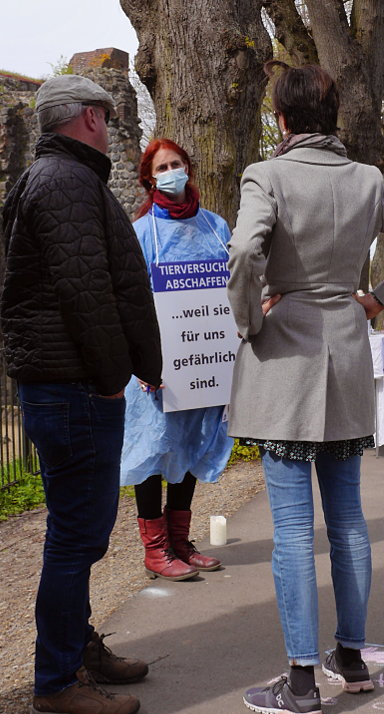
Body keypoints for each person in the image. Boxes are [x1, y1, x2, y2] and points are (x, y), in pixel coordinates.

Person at [226, 62, 384, 714]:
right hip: (348, 356)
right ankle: (349, 659)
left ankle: (300, 684)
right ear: (331, 120)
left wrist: (250, 321)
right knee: (349, 519)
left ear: (282, 120)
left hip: (286, 360)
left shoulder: (265, 176)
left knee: (295, 530)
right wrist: (382, 298)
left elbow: (244, 252)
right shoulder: (366, 180)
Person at [1, 75, 163, 714]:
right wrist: (109, 376)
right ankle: (56, 680)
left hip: (68, 382)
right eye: (107, 112)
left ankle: (75, 649)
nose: (109, 122)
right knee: (76, 536)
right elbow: (87, 292)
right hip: (73, 386)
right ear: (90, 119)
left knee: (80, 534)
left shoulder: (59, 177)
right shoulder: (65, 183)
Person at [121, 139, 234, 581]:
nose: (171, 172)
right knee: (152, 451)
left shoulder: (215, 227)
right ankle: (155, 550)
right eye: (162, 167)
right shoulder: (141, 233)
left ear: (189, 167)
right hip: (157, 367)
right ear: (150, 177)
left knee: (189, 447)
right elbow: (131, 301)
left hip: (202, 362)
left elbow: (230, 291)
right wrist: (143, 361)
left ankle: (180, 542)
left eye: (177, 163)